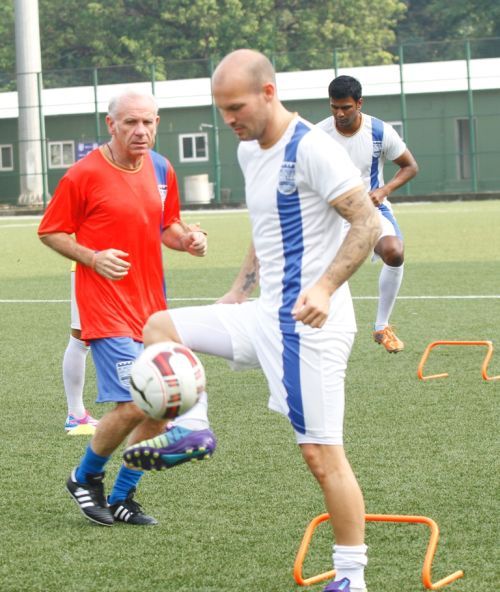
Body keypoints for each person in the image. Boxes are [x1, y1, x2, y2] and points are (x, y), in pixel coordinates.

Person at [123, 50, 380, 592]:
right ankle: (194, 429)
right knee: (160, 327)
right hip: (264, 313)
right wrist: (238, 290)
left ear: (268, 93)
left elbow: (367, 221)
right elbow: (266, 230)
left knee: (319, 453)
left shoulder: (314, 148)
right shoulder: (248, 151)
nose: (229, 119)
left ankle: (352, 578)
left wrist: (327, 286)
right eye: (221, 110)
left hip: (314, 325)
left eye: (236, 106)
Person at [38, 89, 216, 527]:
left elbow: (167, 226)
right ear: (110, 124)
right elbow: (51, 231)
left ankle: (122, 496)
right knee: (136, 405)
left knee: (164, 403)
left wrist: (189, 240)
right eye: (131, 123)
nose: (141, 131)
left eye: (149, 122)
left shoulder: (161, 168)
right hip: (106, 307)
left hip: (153, 309)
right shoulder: (83, 175)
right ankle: (84, 477)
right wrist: (92, 257)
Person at [317, 75, 419, 353]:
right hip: (330, 214)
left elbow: (410, 166)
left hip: (371, 209)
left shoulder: (380, 131)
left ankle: (381, 327)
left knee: (394, 251)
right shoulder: (318, 136)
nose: (339, 113)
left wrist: (384, 190)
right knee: (323, 273)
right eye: (334, 107)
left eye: (346, 107)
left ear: (359, 104)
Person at [62, 262, 98, 433]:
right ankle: (76, 414)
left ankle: (144, 413)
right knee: (81, 336)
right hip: (90, 267)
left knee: (139, 331)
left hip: (134, 266)